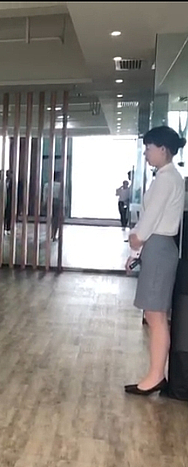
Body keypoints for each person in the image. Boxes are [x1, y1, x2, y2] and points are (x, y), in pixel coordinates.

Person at [125, 126, 186, 396]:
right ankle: (155, 374)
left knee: (155, 314)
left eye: (149, 148)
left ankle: (155, 376)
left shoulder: (167, 178)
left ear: (163, 149)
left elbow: (151, 218)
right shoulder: (167, 176)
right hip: (158, 246)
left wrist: (136, 239)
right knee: (154, 314)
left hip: (159, 247)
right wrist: (138, 248)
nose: (146, 153)